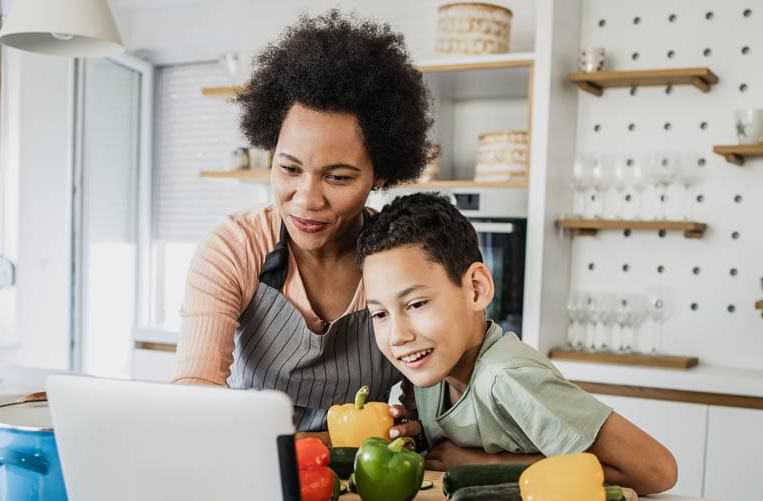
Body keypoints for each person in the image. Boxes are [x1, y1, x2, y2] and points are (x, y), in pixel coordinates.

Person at [171, 10, 437, 437]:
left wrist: (416, 424)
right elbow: (195, 390)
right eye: (290, 169)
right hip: (248, 463)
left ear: (380, 174)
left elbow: (430, 402)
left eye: (338, 177)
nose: (306, 200)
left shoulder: (403, 258)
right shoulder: (234, 248)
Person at [356, 193, 678, 495]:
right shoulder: (432, 369)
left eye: (416, 304)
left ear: (477, 288)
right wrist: (415, 435)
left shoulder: (508, 378)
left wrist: (487, 464)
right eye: (380, 314)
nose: (397, 335)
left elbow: (657, 470)